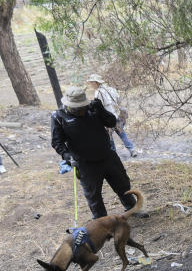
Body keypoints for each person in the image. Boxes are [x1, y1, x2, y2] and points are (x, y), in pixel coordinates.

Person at [51, 86, 139, 219]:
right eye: (77, 108)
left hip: (108, 156)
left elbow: (112, 122)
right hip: (85, 163)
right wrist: (67, 156)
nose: (81, 110)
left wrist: (101, 110)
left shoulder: (93, 109)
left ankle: (132, 209)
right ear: (70, 106)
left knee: (122, 184)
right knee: (93, 195)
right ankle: (101, 221)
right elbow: (57, 142)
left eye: (82, 107)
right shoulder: (59, 117)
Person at [86, 74, 137, 158]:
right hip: (117, 115)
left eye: (91, 82)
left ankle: (113, 154)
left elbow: (99, 107)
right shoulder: (111, 89)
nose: (91, 84)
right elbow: (118, 100)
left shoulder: (98, 92)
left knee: (109, 137)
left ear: (96, 82)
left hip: (108, 118)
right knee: (122, 133)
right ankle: (132, 150)